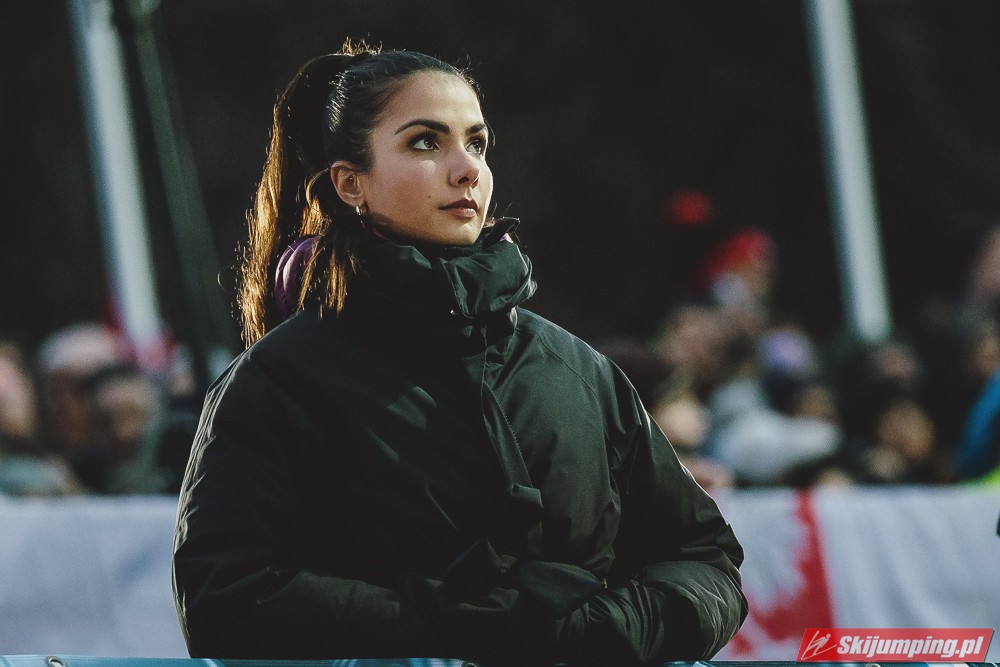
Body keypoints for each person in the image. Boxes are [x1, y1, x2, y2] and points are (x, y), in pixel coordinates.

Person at [172, 42, 747, 666]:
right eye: (426, 142)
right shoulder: (276, 381)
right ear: (350, 183)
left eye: (477, 143)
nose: (467, 169)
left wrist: (604, 629)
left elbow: (704, 561)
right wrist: (457, 625)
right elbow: (225, 600)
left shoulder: (580, 371)